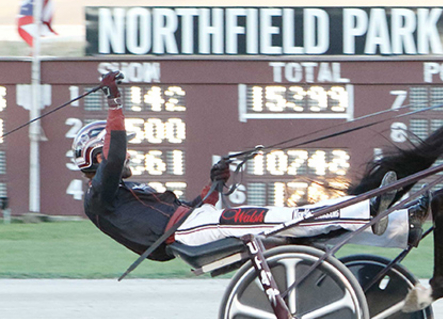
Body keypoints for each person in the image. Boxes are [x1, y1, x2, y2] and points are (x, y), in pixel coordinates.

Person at [72, 70, 419, 262]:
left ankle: (398, 225)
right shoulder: (98, 199)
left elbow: (193, 209)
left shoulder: (127, 195)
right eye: (113, 154)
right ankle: (370, 207)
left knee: (296, 221)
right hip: (190, 232)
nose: (126, 158)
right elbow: (116, 156)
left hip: (195, 224)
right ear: (98, 157)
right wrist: (114, 101)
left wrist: (214, 186)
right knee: (292, 218)